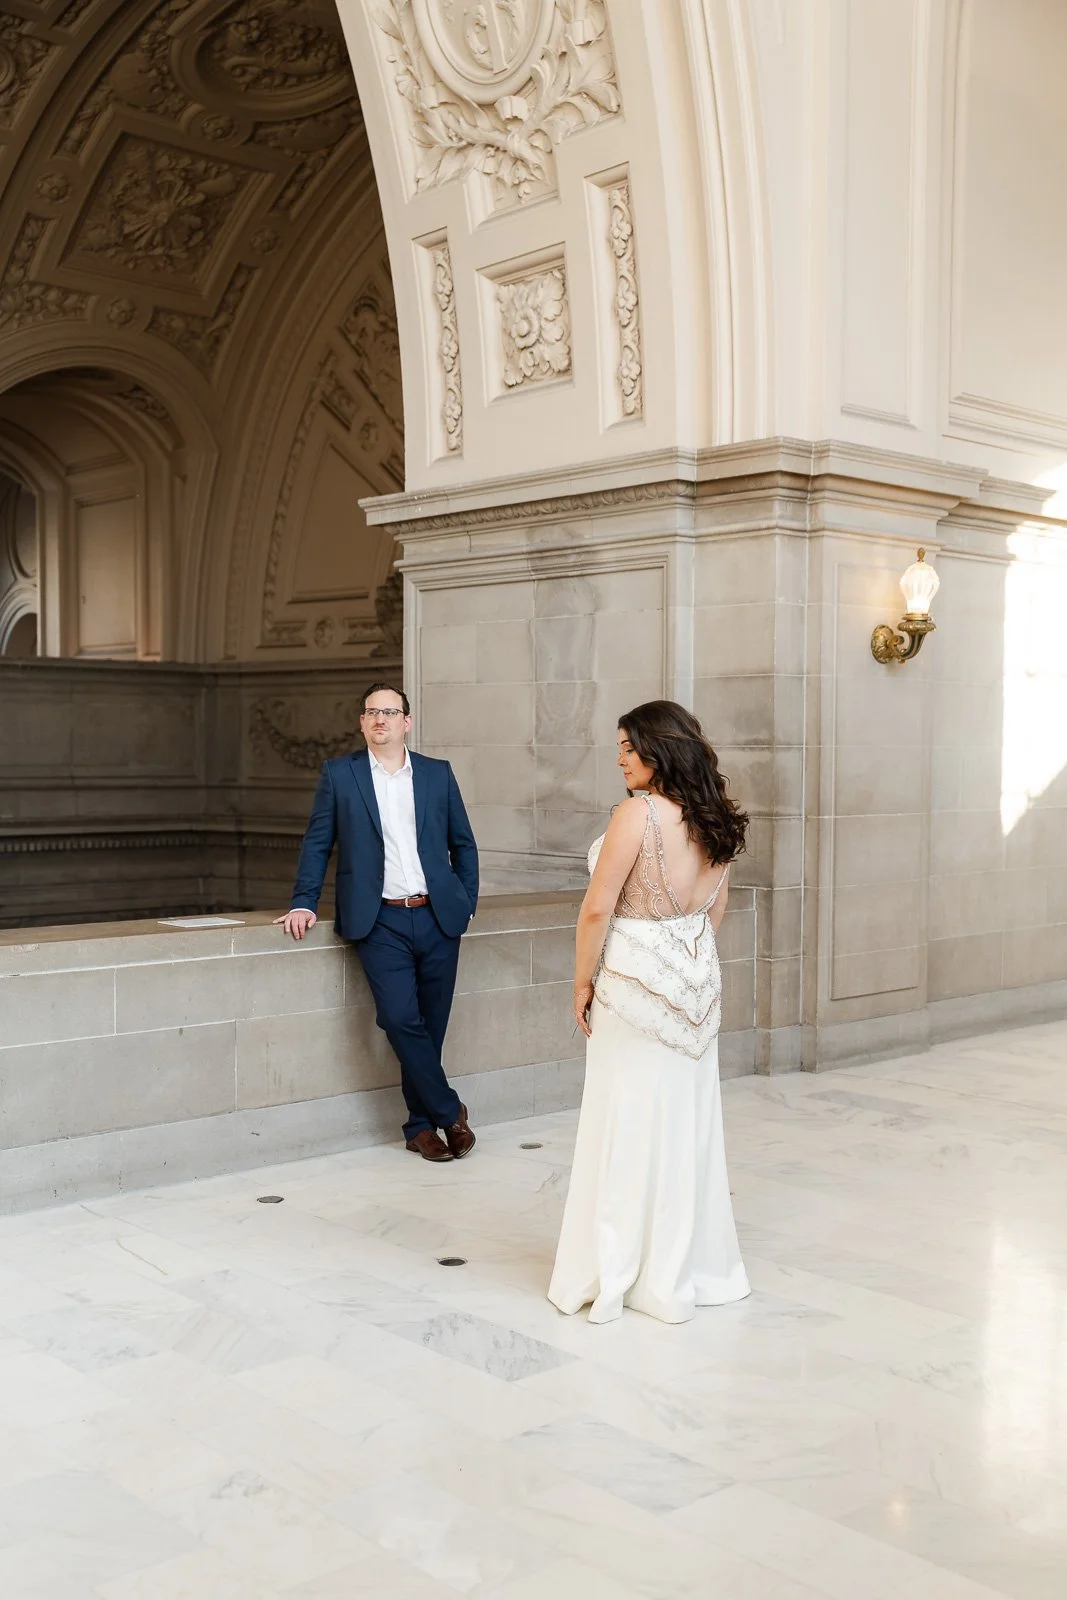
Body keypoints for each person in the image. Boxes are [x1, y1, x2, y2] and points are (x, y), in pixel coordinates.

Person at [548, 699, 751, 1324]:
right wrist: (686, 967)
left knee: (625, 1120)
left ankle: (620, 1269)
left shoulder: (637, 814)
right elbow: (713, 911)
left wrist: (582, 981)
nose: (619, 759)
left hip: (632, 988)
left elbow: (595, 909)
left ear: (659, 750)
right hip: (694, 985)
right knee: (685, 1122)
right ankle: (684, 1268)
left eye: (627, 748)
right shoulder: (715, 818)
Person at [275, 683, 479, 1164]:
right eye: (371, 712)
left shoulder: (436, 774)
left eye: (390, 712)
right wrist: (304, 900)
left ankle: (419, 1127)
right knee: (399, 1019)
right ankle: (450, 1111)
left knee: (431, 1028)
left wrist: (465, 901)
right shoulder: (340, 775)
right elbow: (317, 843)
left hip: (436, 915)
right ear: (362, 722)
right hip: (379, 920)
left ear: (406, 722)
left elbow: (463, 844)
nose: (380, 720)